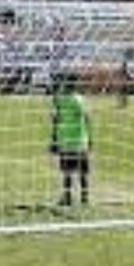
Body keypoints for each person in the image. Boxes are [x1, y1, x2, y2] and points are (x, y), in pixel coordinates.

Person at [50, 76, 92, 206]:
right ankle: (84, 198)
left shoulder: (60, 100)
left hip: (66, 141)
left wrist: (54, 139)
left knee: (67, 173)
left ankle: (68, 197)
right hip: (80, 142)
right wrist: (90, 138)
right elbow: (87, 118)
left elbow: (55, 120)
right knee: (82, 172)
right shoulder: (79, 99)